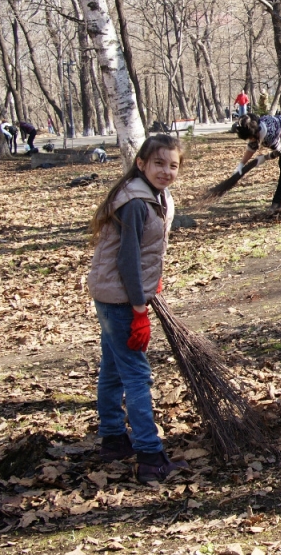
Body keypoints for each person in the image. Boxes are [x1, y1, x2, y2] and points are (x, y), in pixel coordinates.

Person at [87, 134, 189, 484]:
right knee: (136, 374)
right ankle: (149, 454)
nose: (166, 171)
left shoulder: (154, 196)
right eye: (158, 163)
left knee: (114, 368)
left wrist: (150, 285)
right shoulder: (134, 201)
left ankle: (114, 438)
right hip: (119, 299)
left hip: (117, 293)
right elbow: (127, 258)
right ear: (141, 164)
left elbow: (147, 251)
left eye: (172, 165)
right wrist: (138, 308)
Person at [233, 113, 281, 210]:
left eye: (250, 137)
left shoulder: (269, 135)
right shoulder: (256, 127)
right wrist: (241, 164)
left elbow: (279, 151)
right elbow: (252, 147)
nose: (250, 140)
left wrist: (265, 157)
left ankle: (277, 202)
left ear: (255, 133)